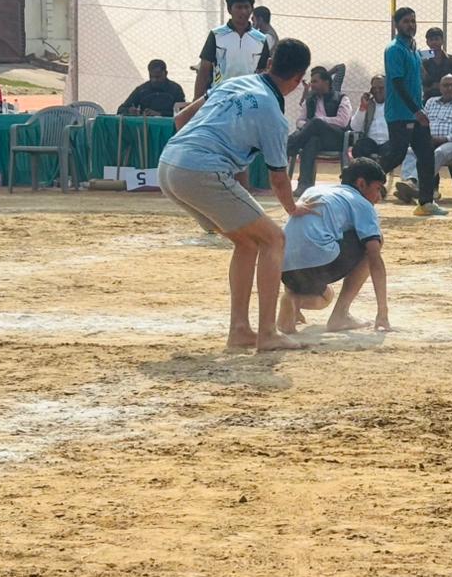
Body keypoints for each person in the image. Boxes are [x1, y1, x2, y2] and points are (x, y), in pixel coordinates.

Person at [157, 38, 314, 352]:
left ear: (269, 64)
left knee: (246, 242)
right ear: (298, 81)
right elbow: (278, 179)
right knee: (274, 239)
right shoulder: (273, 115)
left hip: (168, 164)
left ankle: (240, 330)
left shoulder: (234, 82)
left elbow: (180, 119)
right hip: (201, 170)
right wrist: (293, 208)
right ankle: (267, 334)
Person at [278, 157, 391, 335]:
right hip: (317, 264)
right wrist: (382, 311)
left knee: (325, 297)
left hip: (285, 270)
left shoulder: (314, 189)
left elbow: (298, 236)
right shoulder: (361, 203)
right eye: (377, 189)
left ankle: (293, 301)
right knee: (375, 241)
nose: (378, 198)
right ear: (361, 184)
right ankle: (341, 314)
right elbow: (375, 258)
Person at [379, 6, 446, 217]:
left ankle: (425, 202)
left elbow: (420, 78)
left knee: (426, 155)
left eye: (413, 21)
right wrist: (416, 110)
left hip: (417, 112)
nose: (411, 25)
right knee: (397, 154)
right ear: (397, 24)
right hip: (401, 113)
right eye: (406, 21)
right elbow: (398, 83)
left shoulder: (413, 49)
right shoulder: (394, 50)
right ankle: (358, 180)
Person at [396, 74, 452, 203]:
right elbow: (422, 121)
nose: (449, 88)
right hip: (430, 140)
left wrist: (445, 138)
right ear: (440, 87)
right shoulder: (431, 102)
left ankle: (415, 184)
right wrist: (424, 136)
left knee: (437, 153)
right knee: (410, 151)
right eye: (446, 85)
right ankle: (408, 183)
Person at [194, 0, 270, 101]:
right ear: (230, 9)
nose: (243, 11)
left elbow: (263, 72)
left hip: (248, 98)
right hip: (220, 98)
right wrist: (196, 101)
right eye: (239, 7)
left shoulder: (261, 39)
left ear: (251, 9)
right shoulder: (216, 35)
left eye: (246, 7)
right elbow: (204, 70)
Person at [287, 65, 352, 197]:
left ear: (326, 82)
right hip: (314, 137)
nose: (312, 85)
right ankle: (304, 185)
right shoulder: (310, 100)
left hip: (335, 138)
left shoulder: (341, 98)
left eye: (315, 81)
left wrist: (319, 121)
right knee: (312, 140)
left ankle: (289, 146)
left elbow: (342, 121)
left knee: (316, 123)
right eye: (311, 82)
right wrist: (309, 125)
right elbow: (300, 120)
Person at [117, 59, 186, 118]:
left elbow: (183, 113)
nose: (154, 80)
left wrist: (161, 114)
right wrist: (129, 111)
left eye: (157, 77)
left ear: (166, 73)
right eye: (151, 76)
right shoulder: (142, 90)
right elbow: (121, 109)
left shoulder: (175, 89)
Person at [349, 75, 389, 160]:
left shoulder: (394, 104)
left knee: (392, 149)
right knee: (358, 148)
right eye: (374, 88)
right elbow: (355, 127)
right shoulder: (368, 104)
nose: (377, 91)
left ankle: (377, 164)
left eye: (381, 88)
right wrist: (363, 108)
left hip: (389, 142)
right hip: (371, 143)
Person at [421, 26, 452, 101]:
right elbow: (422, 84)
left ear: (442, 40)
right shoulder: (423, 60)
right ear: (427, 42)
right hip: (428, 101)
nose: (434, 42)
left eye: (436, 39)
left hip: (449, 100)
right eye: (431, 40)